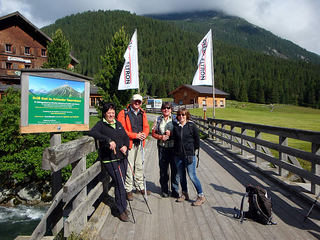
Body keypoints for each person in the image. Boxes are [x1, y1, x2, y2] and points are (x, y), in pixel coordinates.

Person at [88, 102, 130, 222]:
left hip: (122, 157)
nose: (111, 114)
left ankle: (123, 206)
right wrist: (108, 140)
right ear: (105, 113)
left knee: (121, 182)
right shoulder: (101, 124)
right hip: (110, 159)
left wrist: (125, 146)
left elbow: (125, 137)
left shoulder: (118, 123)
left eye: (113, 112)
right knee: (119, 183)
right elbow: (92, 132)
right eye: (109, 112)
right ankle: (120, 210)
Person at [117, 94, 150, 201]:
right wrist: (135, 135)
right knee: (129, 168)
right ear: (131, 101)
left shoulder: (142, 112)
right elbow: (121, 130)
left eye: (139, 102)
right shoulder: (124, 113)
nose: (137, 103)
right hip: (129, 144)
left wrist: (144, 134)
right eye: (135, 101)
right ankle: (128, 189)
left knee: (139, 165)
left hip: (140, 144)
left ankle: (139, 186)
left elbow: (146, 127)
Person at [172, 107, 206, 206]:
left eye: (183, 114)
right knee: (182, 176)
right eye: (179, 115)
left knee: (192, 176)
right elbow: (174, 139)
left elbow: (197, 141)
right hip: (178, 156)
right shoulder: (176, 127)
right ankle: (184, 193)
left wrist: (191, 151)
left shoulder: (192, 126)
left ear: (187, 116)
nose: (181, 116)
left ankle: (201, 196)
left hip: (189, 156)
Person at [152, 102, 179, 198]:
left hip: (173, 148)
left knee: (175, 169)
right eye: (164, 108)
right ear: (161, 109)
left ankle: (175, 190)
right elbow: (153, 133)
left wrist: (171, 134)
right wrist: (160, 136)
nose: (166, 109)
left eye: (168, 108)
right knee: (163, 169)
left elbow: (180, 131)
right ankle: (164, 189)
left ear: (171, 109)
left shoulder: (176, 119)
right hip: (162, 148)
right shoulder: (158, 119)